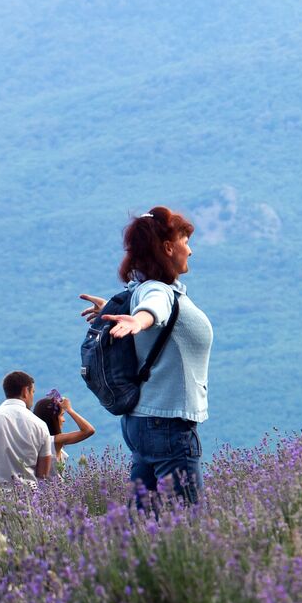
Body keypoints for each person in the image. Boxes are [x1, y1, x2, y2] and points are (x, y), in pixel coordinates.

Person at [79, 206, 212, 504]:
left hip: (142, 421)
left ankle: (128, 551)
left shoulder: (140, 288)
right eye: (185, 241)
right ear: (168, 248)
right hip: (167, 424)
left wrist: (114, 313)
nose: (190, 251)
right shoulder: (158, 291)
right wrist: (138, 320)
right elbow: (154, 308)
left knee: (144, 520)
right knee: (188, 522)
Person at [31, 391, 96, 472]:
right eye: (61, 415)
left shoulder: (33, 440)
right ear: (53, 419)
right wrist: (69, 410)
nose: (63, 420)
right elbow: (89, 430)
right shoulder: (54, 440)